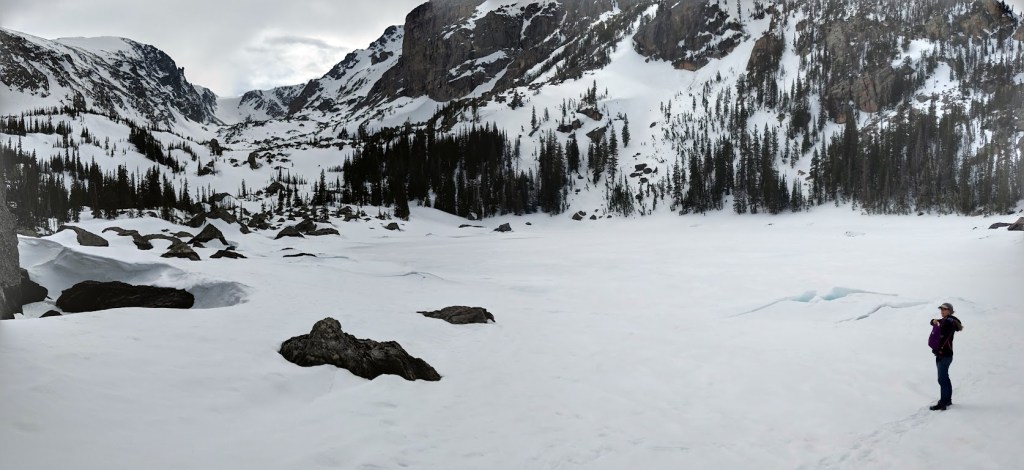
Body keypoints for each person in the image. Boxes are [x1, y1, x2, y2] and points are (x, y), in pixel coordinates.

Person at [929, 302, 963, 410]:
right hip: (943, 354)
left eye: (944, 309)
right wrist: (934, 321)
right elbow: (932, 322)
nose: (942, 311)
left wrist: (939, 350)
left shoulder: (949, 322)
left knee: (942, 379)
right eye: (941, 309)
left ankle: (943, 403)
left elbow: (944, 337)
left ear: (949, 311)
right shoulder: (945, 321)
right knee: (945, 378)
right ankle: (947, 400)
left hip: (944, 354)